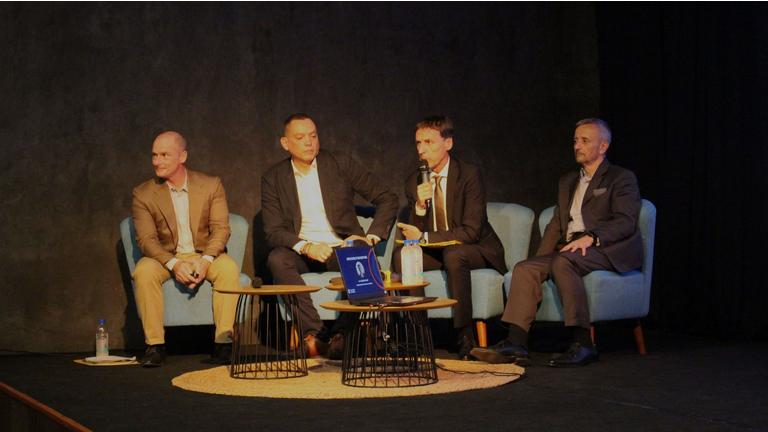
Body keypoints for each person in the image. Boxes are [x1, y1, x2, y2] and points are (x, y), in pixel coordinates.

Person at [471, 118, 642, 367]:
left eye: (585, 141)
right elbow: (557, 225)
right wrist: (539, 259)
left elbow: (625, 221)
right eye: (575, 140)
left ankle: (584, 343)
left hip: (605, 248)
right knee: (525, 268)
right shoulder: (567, 181)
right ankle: (516, 343)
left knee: (563, 263)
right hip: (570, 248)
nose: (577, 146)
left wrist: (592, 237)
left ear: (603, 146)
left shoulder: (621, 178)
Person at [261, 113, 399, 359]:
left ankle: (342, 336)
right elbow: (273, 231)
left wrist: (372, 236)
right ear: (285, 143)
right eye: (300, 137)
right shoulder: (274, 178)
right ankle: (314, 334)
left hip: (340, 247)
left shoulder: (340, 163)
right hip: (302, 251)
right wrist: (306, 246)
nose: (309, 142)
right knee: (277, 259)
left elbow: (387, 198)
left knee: (361, 257)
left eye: (313, 136)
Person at [395, 115, 506, 360]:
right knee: (403, 256)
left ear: (448, 143)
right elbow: (416, 233)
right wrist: (420, 206)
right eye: (418, 143)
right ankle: (417, 335)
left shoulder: (469, 175)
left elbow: (471, 231)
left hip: (476, 248)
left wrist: (424, 237)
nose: (421, 150)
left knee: (454, 254)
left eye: (428, 142)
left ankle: (465, 335)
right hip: (439, 248)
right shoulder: (414, 181)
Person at [131, 131, 240, 367]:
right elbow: (147, 240)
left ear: (182, 156)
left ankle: (224, 344)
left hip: (204, 253)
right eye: (154, 155)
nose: (157, 161)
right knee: (143, 271)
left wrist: (206, 260)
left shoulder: (210, 185)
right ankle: (155, 346)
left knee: (229, 269)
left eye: (164, 155)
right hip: (164, 256)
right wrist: (174, 264)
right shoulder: (143, 193)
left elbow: (221, 229)